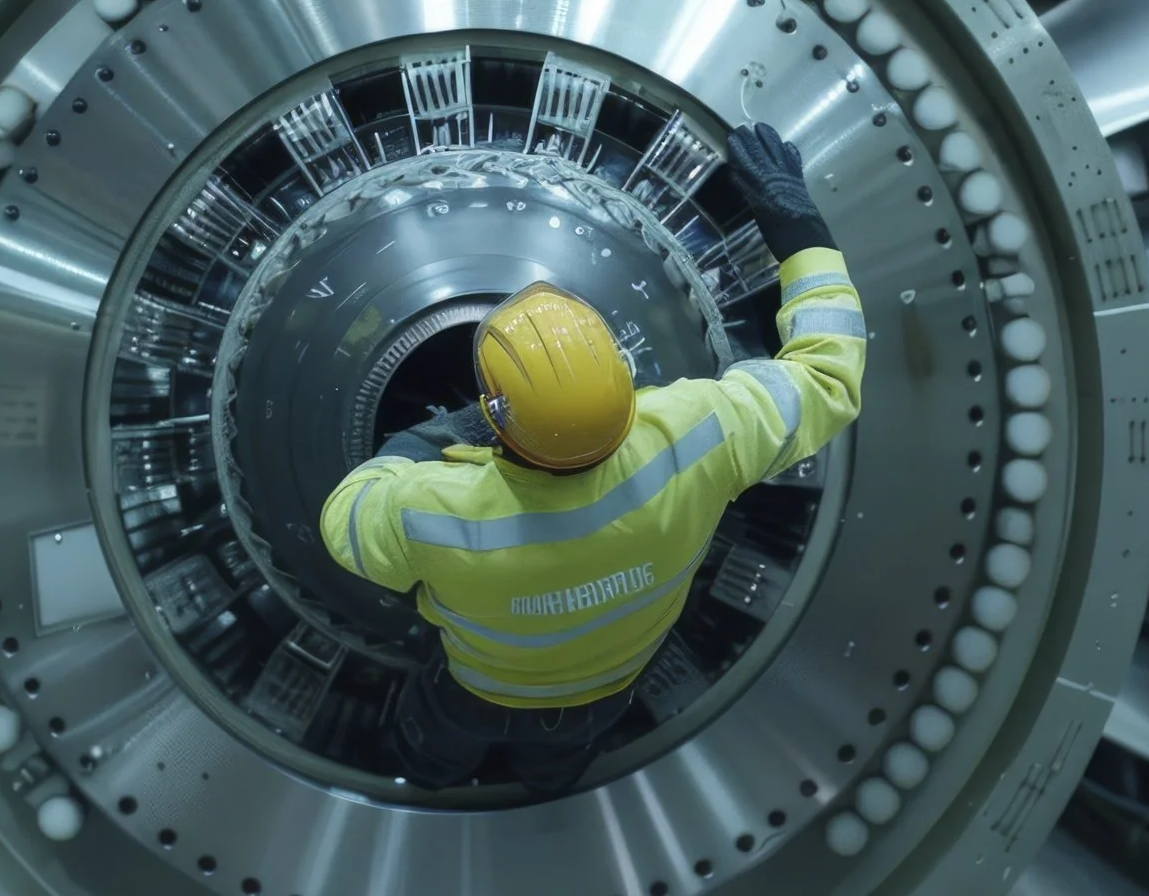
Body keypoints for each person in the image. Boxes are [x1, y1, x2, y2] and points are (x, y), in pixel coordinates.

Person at [318, 123, 866, 793]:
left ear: (493, 416)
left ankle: (428, 777)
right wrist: (801, 231)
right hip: (604, 692)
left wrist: (425, 440)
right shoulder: (701, 437)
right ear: (623, 377)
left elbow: (348, 519)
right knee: (558, 760)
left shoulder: (436, 513)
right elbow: (828, 377)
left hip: (477, 695)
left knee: (435, 747)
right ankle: (547, 783)